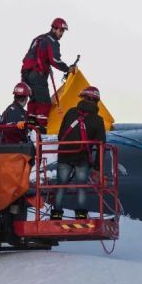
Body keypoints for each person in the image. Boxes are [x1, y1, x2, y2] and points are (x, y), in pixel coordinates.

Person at [51, 86, 106, 220]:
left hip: (64, 156)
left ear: (83, 98)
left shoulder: (70, 113)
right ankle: (81, 213)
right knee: (81, 186)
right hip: (82, 158)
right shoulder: (98, 120)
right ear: (96, 101)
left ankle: (57, 213)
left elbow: (60, 135)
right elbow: (101, 146)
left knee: (61, 185)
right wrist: (98, 168)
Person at [20, 17, 75, 133]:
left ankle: (30, 129)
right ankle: (41, 133)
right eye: (61, 31)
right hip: (37, 76)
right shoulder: (52, 41)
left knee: (34, 102)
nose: (62, 34)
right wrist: (67, 69)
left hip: (26, 75)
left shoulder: (39, 38)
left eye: (63, 31)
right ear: (54, 29)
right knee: (45, 104)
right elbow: (55, 60)